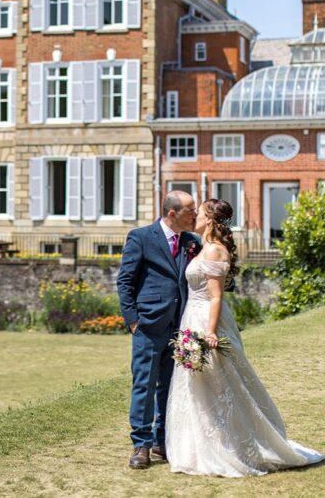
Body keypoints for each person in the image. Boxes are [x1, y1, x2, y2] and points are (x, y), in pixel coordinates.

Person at [164, 198, 325, 476]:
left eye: (200, 214)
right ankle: (197, 446)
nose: (195, 218)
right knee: (199, 384)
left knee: (221, 382)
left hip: (207, 320)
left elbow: (216, 297)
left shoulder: (215, 251)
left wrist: (211, 332)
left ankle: (232, 446)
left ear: (211, 220)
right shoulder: (204, 247)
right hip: (193, 316)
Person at [116, 190, 201, 470]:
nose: (195, 214)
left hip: (180, 325)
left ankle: (161, 441)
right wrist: (132, 320)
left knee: (170, 386)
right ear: (172, 213)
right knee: (144, 384)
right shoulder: (140, 237)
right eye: (191, 210)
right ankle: (140, 444)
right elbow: (125, 280)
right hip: (149, 325)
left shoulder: (192, 241)